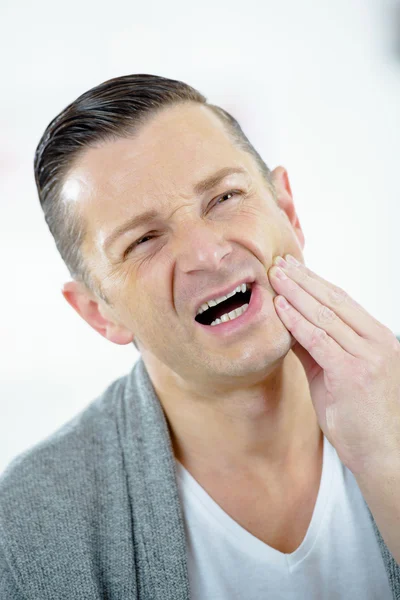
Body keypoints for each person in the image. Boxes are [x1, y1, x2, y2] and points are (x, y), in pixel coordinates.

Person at [0, 74, 399, 599]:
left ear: (289, 210)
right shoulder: (26, 530)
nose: (208, 254)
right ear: (100, 314)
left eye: (225, 197)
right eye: (143, 240)